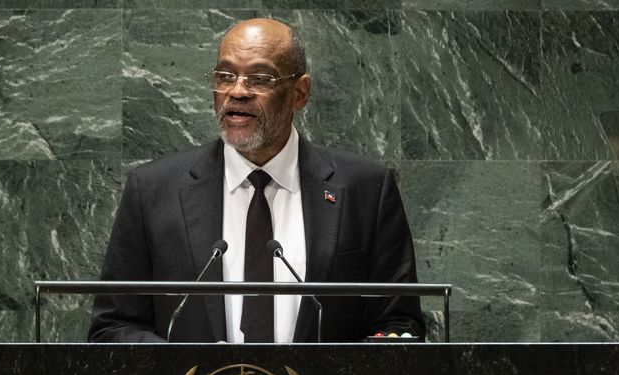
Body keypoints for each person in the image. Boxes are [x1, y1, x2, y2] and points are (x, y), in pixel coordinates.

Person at [88, 18, 424, 343]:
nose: (237, 91)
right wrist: (184, 366)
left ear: (300, 93)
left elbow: (400, 325)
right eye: (225, 75)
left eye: (260, 78)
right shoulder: (152, 191)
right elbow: (113, 327)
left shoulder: (365, 190)